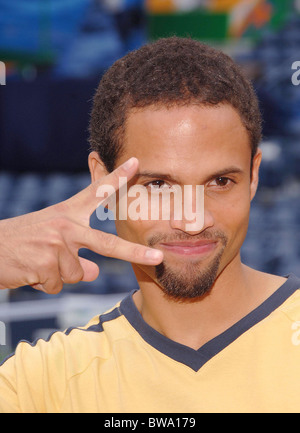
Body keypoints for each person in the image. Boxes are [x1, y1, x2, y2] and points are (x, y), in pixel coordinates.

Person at [0, 36, 299, 413]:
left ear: (254, 176)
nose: (193, 220)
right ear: (102, 183)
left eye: (219, 182)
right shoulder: (45, 381)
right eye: (158, 186)